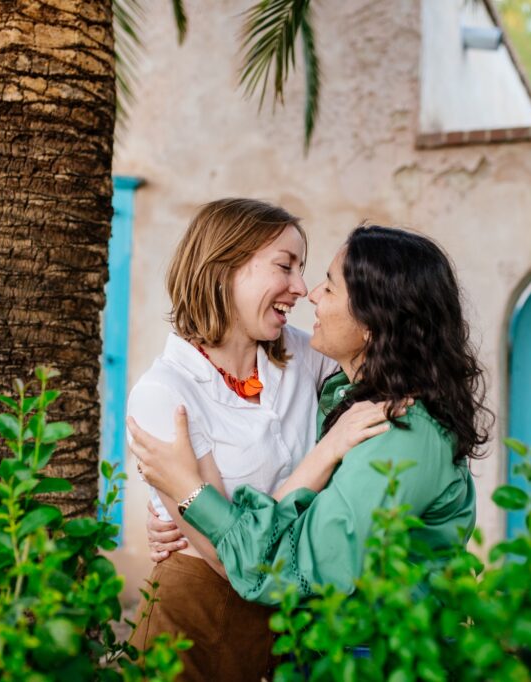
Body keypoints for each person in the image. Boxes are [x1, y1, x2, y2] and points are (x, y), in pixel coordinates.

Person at [130, 224, 488, 606]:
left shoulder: (396, 430)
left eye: (330, 287)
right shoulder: (347, 391)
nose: (310, 293)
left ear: (372, 322)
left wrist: (189, 496)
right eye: (287, 267)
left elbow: (284, 571)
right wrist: (169, 517)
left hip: (372, 653)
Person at [125, 199, 395, 680]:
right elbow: (228, 559)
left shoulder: (301, 352)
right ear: (224, 268)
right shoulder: (164, 394)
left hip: (293, 615)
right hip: (202, 612)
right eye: (284, 267)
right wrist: (325, 454)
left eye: (304, 270)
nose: (301, 288)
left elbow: (383, 355)